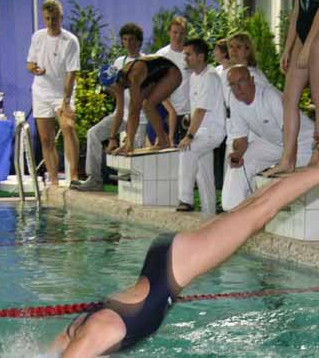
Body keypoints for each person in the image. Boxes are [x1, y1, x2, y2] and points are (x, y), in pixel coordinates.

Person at [38, 147, 319, 358]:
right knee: (253, 209)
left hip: (176, 265)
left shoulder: (99, 332)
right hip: (165, 261)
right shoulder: (80, 330)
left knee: (262, 210)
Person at [222, 65, 315, 211]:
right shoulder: (235, 101)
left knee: (289, 186)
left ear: (252, 80)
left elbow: (289, 130)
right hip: (272, 142)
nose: (237, 88)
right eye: (232, 84)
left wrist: (286, 160)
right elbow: (241, 137)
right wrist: (238, 154)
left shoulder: (270, 96)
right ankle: (233, 209)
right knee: (243, 161)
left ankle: (264, 209)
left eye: (241, 81)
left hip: (302, 141)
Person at [269, 0, 319, 176]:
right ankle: (287, 160)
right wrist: (287, 48)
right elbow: (297, 13)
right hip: (303, 33)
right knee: (288, 98)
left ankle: (317, 155)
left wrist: (308, 47)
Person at [73, 23, 147, 192]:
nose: (128, 43)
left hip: (141, 118)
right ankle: (94, 179)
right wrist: (110, 88)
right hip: (121, 113)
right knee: (93, 134)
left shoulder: (145, 62)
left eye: (132, 40)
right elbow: (117, 94)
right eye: (125, 39)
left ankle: (138, 189)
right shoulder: (119, 62)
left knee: (132, 153)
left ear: (139, 41)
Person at [26, 0, 80, 188]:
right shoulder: (37, 37)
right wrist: (34, 69)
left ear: (61, 18)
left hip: (62, 92)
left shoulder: (70, 41)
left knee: (68, 127)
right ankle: (54, 181)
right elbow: (29, 63)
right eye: (47, 19)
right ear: (44, 18)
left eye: (54, 19)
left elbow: (72, 74)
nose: (51, 22)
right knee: (46, 138)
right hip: (41, 92)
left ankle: (74, 176)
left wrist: (66, 101)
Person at [176, 38, 226, 214]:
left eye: (188, 54)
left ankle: (186, 200)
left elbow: (201, 110)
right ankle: (209, 212)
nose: (185, 58)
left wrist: (189, 136)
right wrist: (189, 121)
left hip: (212, 132)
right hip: (201, 131)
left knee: (186, 150)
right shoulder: (194, 77)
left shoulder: (210, 77)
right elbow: (196, 109)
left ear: (200, 56)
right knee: (204, 174)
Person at [97, 54, 182, 155]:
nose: (110, 91)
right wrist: (112, 138)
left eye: (110, 88)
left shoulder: (133, 76)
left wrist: (129, 143)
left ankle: (163, 141)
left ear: (116, 82)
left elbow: (134, 111)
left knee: (148, 105)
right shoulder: (119, 82)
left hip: (172, 73)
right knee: (145, 105)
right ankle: (162, 139)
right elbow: (119, 112)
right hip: (155, 76)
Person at [155, 16, 189, 146]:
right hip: (166, 113)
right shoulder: (161, 55)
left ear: (185, 34)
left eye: (181, 33)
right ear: (169, 32)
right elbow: (154, 85)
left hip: (188, 112)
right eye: (175, 32)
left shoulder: (190, 54)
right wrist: (169, 109)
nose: (178, 36)